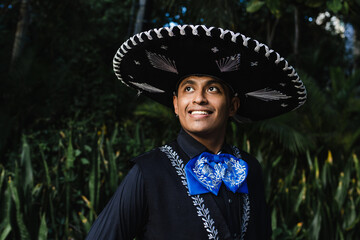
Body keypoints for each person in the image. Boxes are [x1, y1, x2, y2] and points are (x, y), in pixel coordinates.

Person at [86, 24, 307, 240]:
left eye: (213, 89)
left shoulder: (251, 169)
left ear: (232, 106)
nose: (199, 98)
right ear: (175, 104)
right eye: (188, 88)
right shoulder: (148, 172)